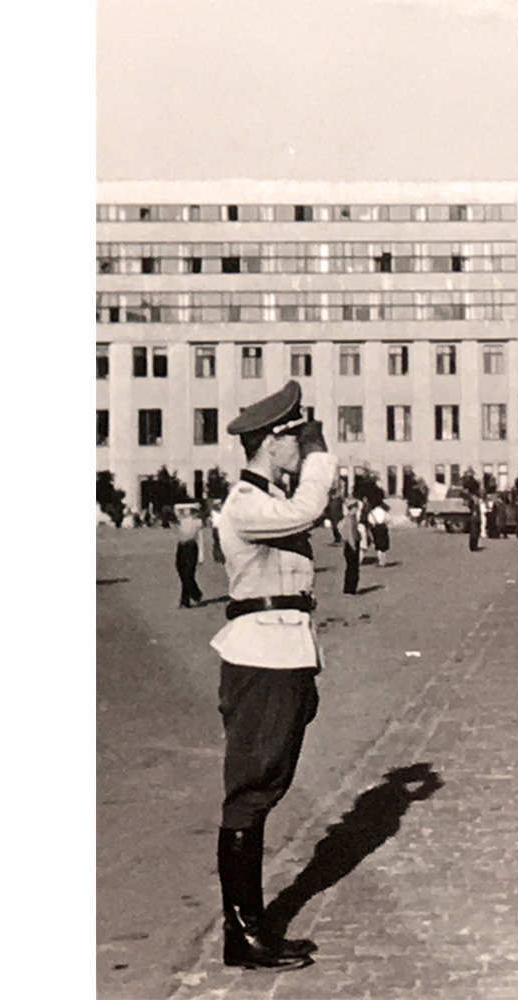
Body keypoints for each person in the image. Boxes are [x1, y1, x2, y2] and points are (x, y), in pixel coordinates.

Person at [210, 381, 333, 971]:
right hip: (260, 659)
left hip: (284, 657)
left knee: (268, 787)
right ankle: (243, 934)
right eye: (294, 437)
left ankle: (251, 927)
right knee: (251, 793)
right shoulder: (246, 504)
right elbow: (308, 508)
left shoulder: (269, 501)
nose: (302, 448)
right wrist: (323, 455)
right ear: (269, 443)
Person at [176, 504, 206, 608]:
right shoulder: (181, 520)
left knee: (188, 573)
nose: (185, 511)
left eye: (188, 510)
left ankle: (185, 600)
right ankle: (196, 592)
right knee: (181, 570)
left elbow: (200, 539)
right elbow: (176, 509)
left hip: (191, 547)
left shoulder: (198, 522)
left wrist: (201, 555)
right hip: (181, 547)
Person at [340, 494, 363, 595]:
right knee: (353, 567)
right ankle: (351, 589)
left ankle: (349, 588)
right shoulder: (350, 519)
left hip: (349, 544)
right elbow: (350, 533)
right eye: (356, 507)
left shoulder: (350, 518)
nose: (357, 509)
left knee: (351, 567)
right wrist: (353, 545)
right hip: (351, 545)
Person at [366, 499, 392, 565]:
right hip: (383, 527)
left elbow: (370, 520)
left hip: (375, 528)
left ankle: (380, 559)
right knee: (384, 544)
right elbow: (388, 519)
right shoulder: (384, 511)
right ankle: (383, 560)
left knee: (378, 544)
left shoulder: (372, 512)